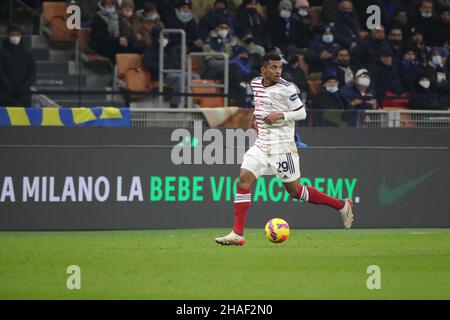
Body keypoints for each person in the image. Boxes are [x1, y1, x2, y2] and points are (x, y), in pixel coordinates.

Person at [214, 54, 354, 246]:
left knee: (296, 191)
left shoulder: (287, 88)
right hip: (261, 145)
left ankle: (341, 204)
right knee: (243, 180)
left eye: (279, 67)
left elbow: (302, 113)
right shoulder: (255, 83)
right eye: (273, 67)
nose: (278, 71)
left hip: (282, 148)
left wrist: (281, 115)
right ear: (263, 70)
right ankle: (237, 233)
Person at [0, 24, 36, 107]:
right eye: (13, 35)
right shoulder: (2, 53)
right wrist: (10, 87)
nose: (15, 37)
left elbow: (32, 72)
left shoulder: (28, 54)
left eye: (17, 35)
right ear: (8, 36)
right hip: (5, 96)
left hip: (23, 97)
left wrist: (24, 88)